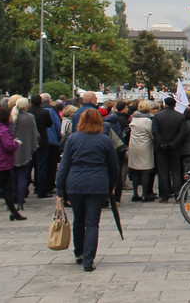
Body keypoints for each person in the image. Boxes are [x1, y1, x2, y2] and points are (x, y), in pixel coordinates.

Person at [56, 108, 120, 272]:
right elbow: (114, 166)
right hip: (97, 183)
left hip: (75, 183)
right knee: (92, 223)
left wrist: (60, 190)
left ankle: (79, 253)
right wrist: (111, 184)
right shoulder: (104, 140)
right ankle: (89, 259)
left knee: (79, 219)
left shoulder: (73, 139)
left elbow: (64, 166)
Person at [151, 97, 186, 203]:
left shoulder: (157, 116)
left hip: (161, 148)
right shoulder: (180, 117)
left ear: (164, 104)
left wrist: (162, 143)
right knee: (176, 171)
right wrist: (174, 143)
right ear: (175, 105)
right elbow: (182, 133)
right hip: (175, 148)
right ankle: (178, 194)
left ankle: (164, 195)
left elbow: (155, 132)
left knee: (163, 171)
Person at [8, 97, 38, 211]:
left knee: (12, 177)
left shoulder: (11, 117)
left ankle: (12, 199)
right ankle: (20, 200)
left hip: (11, 150)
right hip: (25, 150)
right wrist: (34, 147)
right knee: (22, 177)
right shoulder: (29, 118)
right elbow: (34, 134)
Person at [127, 101, 156, 201]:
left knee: (135, 169)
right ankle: (145, 194)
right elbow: (152, 134)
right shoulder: (147, 121)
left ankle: (135, 193)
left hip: (134, 145)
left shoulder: (134, 118)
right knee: (145, 170)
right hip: (145, 146)